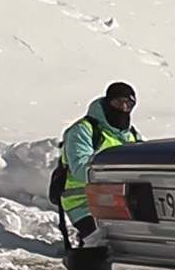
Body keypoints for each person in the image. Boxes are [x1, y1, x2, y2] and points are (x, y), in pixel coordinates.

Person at [52, 82, 143, 248]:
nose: (123, 108)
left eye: (128, 104)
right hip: (83, 202)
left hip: (121, 202)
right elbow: (81, 170)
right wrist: (120, 171)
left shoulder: (132, 135)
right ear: (108, 102)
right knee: (106, 246)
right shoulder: (83, 130)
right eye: (118, 102)